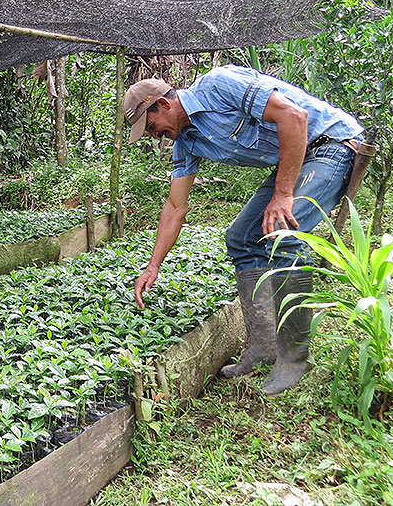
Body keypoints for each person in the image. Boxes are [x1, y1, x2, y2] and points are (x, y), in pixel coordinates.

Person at [127, 65, 363, 395]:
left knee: (284, 236)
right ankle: (264, 346)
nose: (154, 136)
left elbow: (294, 117)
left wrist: (283, 194)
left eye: (151, 126)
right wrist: (153, 266)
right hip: (295, 157)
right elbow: (175, 207)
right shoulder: (187, 142)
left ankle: (294, 358)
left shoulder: (219, 86)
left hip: (330, 144)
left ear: (164, 105)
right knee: (241, 239)